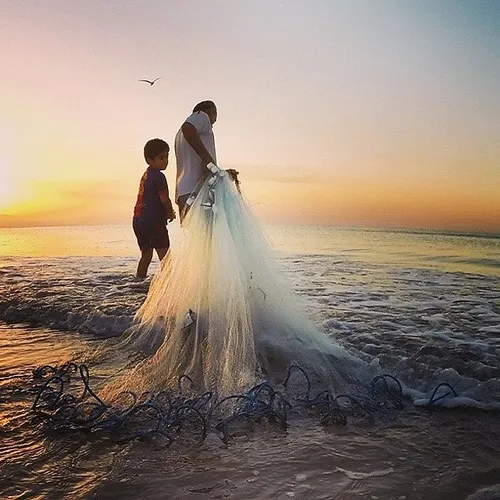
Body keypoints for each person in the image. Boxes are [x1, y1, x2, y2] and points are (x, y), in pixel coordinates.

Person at [174, 100, 240, 222]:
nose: (211, 126)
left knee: (203, 238)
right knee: (212, 235)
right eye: (212, 123)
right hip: (198, 191)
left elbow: (194, 164)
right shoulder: (201, 116)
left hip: (184, 192)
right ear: (211, 111)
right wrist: (208, 160)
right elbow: (188, 128)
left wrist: (222, 172)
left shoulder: (179, 136)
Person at [133, 138, 175, 280]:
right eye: (161, 158)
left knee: (146, 256)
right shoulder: (159, 176)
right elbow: (164, 198)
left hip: (138, 221)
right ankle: (168, 286)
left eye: (167, 156)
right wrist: (171, 212)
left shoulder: (146, 175)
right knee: (166, 259)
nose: (166, 161)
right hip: (154, 222)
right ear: (149, 160)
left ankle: (138, 282)